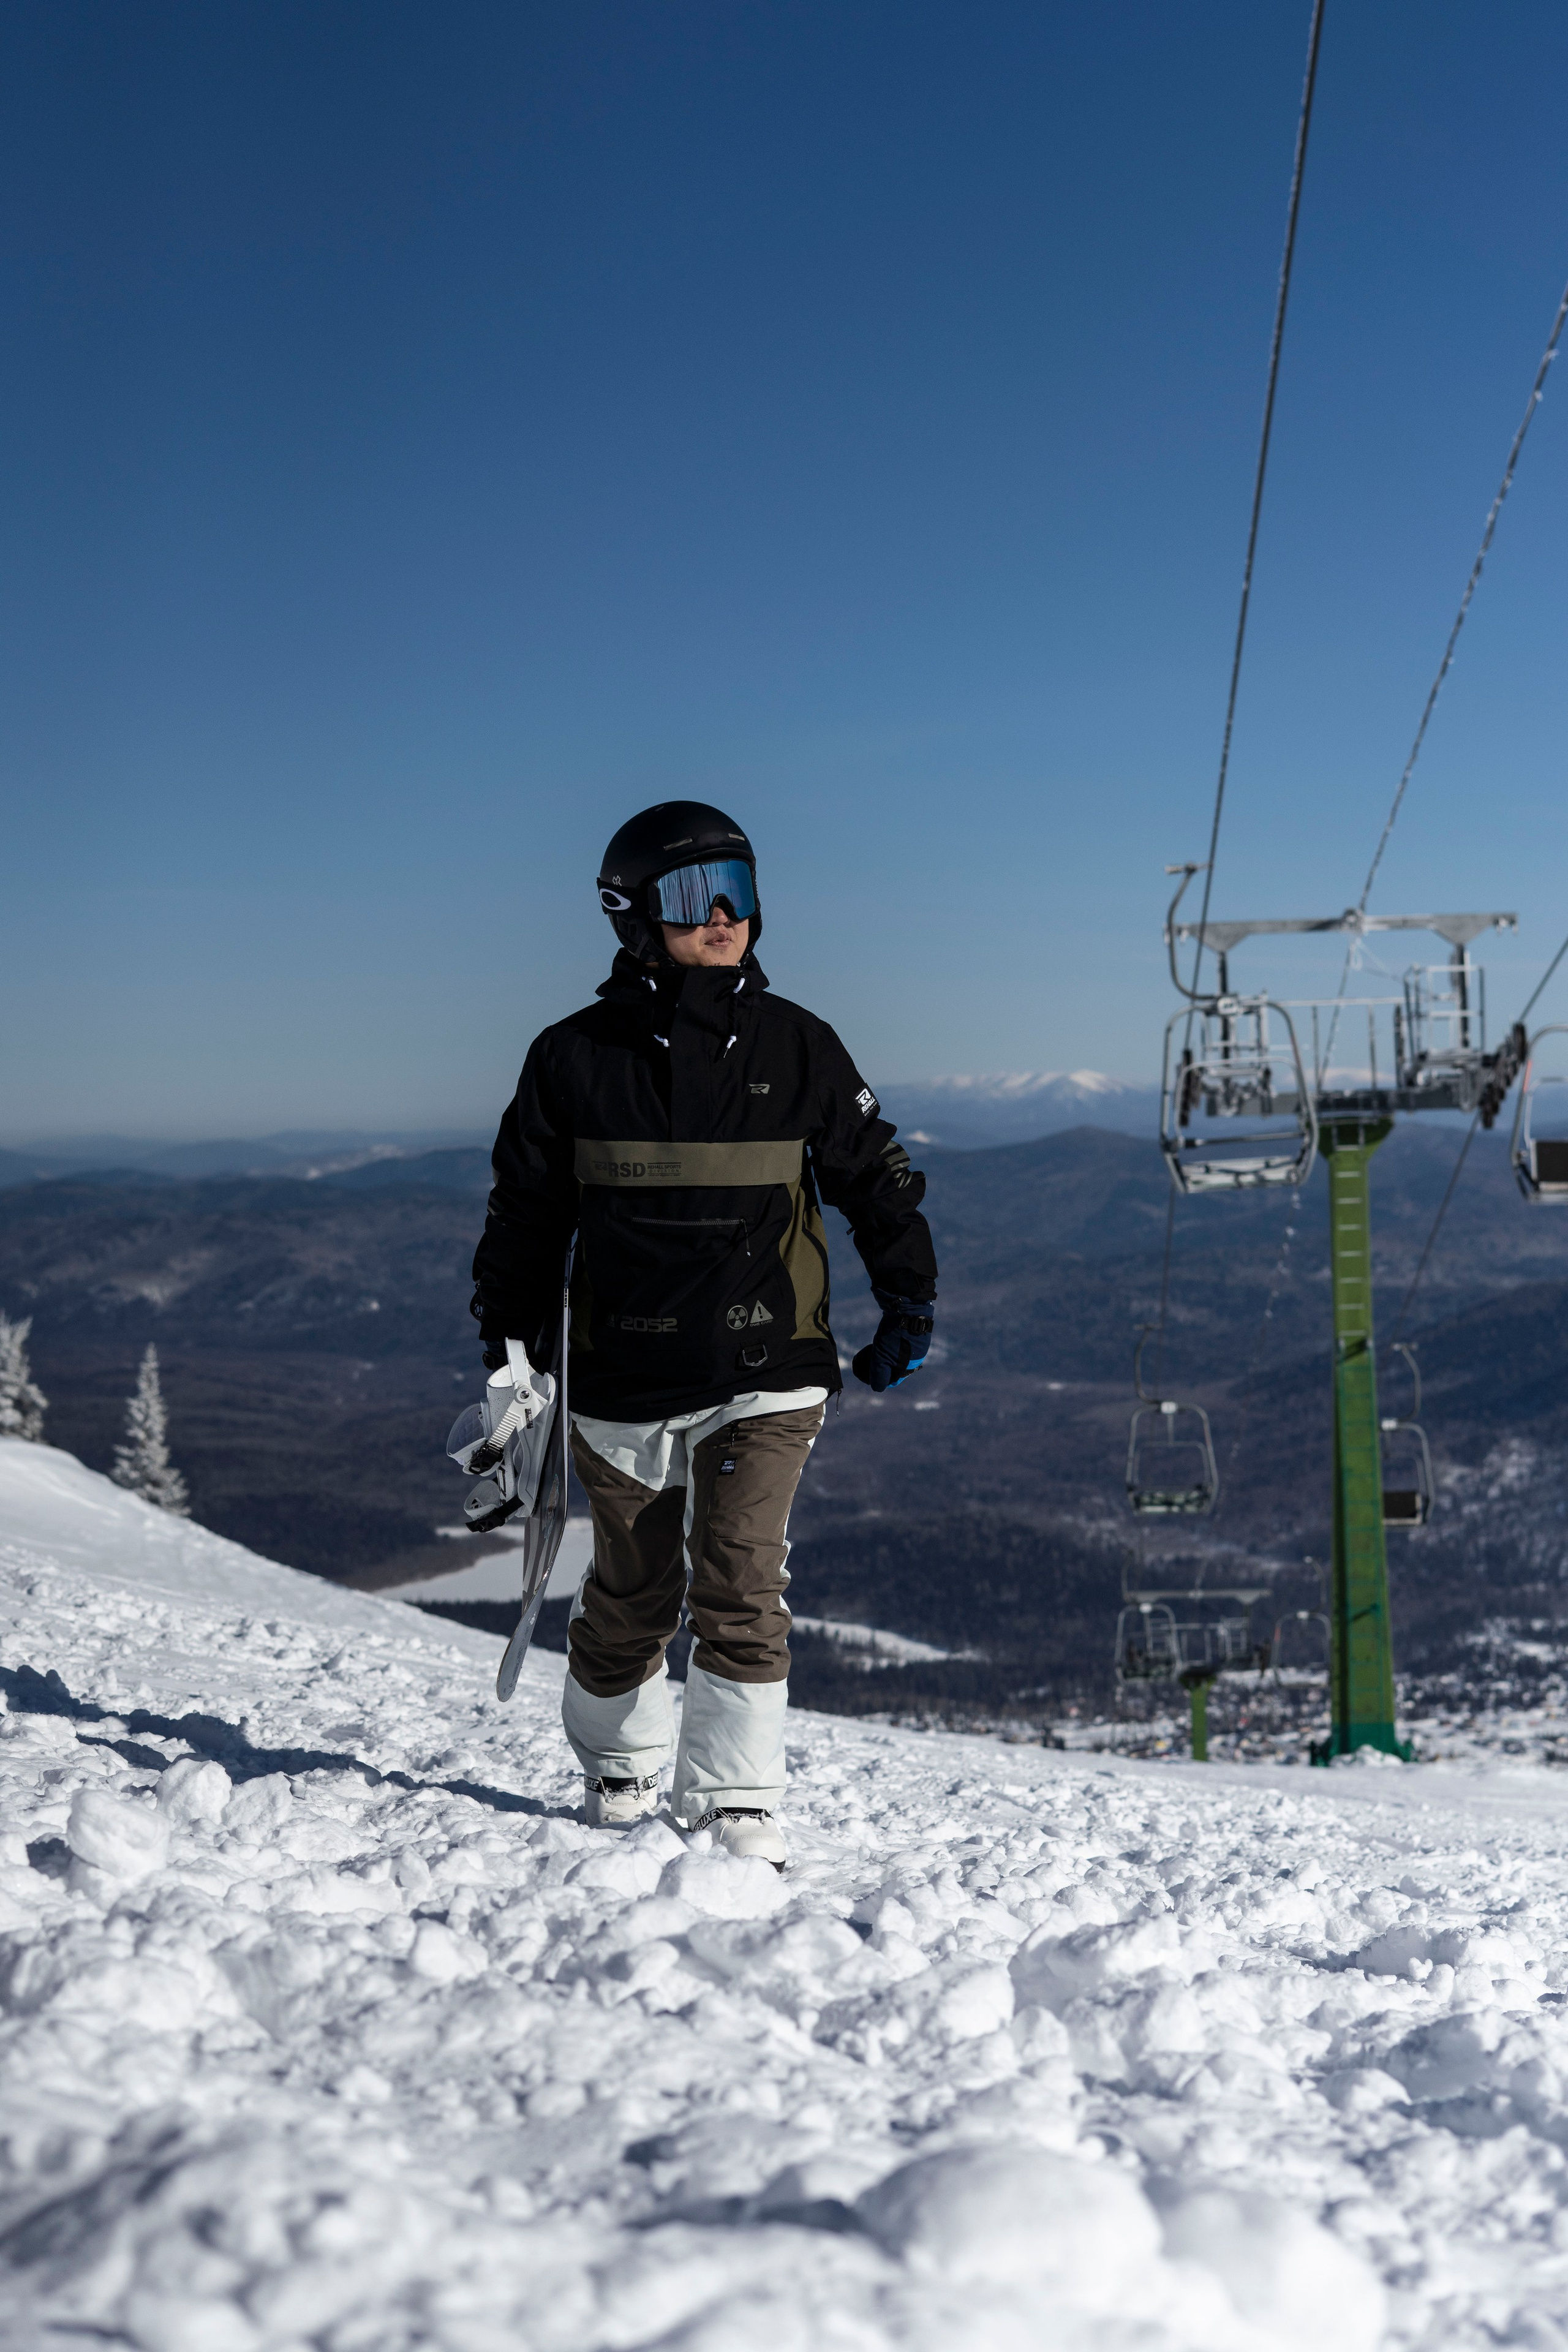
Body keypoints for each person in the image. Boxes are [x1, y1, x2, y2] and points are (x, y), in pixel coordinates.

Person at [469, 801, 938, 1866]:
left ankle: (737, 1801)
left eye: (738, 885)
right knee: (634, 1591)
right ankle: (618, 1764)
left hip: (768, 1361)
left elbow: (878, 1180)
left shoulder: (797, 1044)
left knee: (739, 1569)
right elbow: (524, 1222)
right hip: (620, 1370)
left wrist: (908, 1300)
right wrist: (510, 1357)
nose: (723, 915)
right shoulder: (571, 1061)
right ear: (631, 915)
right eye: (692, 895)